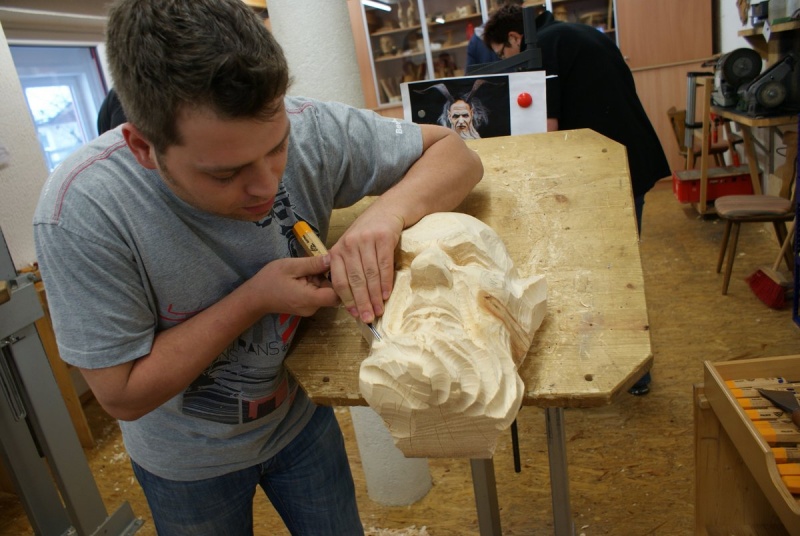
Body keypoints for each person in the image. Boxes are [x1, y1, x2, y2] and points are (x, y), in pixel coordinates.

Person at [33, 0, 483, 534]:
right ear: (143, 147)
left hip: (299, 420)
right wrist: (255, 299)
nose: (267, 185)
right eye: (225, 174)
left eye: (277, 149)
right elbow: (121, 394)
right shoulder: (81, 212)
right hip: (186, 461)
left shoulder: (308, 125)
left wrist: (387, 214)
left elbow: (457, 153)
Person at [483, 5, 670, 395]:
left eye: (503, 53)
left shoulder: (542, 49)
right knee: (621, 265)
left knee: (608, 272)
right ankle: (633, 373)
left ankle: (628, 371)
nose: (509, 61)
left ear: (515, 38)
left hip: (606, 171)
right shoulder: (577, 33)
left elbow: (546, 129)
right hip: (628, 159)